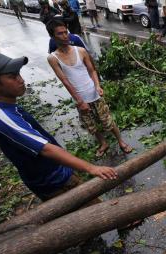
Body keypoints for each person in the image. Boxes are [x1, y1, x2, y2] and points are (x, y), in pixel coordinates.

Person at [0, 51, 118, 201]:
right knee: (95, 212)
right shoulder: (1, 116)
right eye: (12, 77)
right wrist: (92, 168)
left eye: (18, 74)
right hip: (54, 181)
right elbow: (45, 149)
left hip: (54, 171)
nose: (21, 80)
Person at [46, 21, 133, 157]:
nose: (65, 36)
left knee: (108, 121)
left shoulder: (80, 51)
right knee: (91, 126)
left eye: (65, 32)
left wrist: (97, 86)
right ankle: (103, 143)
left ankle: (121, 141)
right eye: (60, 33)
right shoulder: (53, 58)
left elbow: (92, 70)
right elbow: (65, 81)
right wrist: (80, 102)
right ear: (52, 36)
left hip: (94, 94)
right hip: (80, 99)